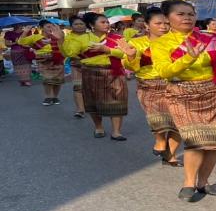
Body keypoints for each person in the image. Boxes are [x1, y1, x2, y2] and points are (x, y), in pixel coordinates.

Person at [152, 0, 216, 202]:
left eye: (190, 13)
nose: (187, 17)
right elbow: (164, 71)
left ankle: (203, 182)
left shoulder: (211, 38)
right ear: (167, 18)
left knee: (214, 142)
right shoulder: (161, 43)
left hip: (214, 92)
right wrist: (188, 58)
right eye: (180, 14)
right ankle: (189, 183)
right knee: (195, 140)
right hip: (182, 93)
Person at [58, 12, 133, 140]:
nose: (106, 24)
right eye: (102, 22)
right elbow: (70, 53)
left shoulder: (117, 38)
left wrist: (107, 50)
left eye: (107, 22)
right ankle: (99, 127)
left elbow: (127, 53)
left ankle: (116, 132)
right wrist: (60, 40)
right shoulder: (82, 38)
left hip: (114, 72)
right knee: (94, 102)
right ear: (92, 25)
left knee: (118, 101)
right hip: (92, 72)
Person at [124, 7, 181, 167]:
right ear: (147, 25)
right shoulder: (137, 43)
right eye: (158, 23)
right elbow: (132, 67)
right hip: (149, 85)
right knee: (158, 118)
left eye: (166, 23)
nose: (163, 26)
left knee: (179, 123)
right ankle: (160, 140)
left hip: (175, 84)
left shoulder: (178, 41)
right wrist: (130, 57)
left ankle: (170, 155)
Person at [18, 20, 66, 106]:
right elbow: (21, 42)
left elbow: (64, 47)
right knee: (47, 80)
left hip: (57, 60)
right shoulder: (35, 37)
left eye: (52, 26)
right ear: (41, 28)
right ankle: (48, 97)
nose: (50, 28)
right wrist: (25, 31)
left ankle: (55, 97)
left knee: (57, 80)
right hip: (43, 61)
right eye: (48, 26)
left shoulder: (57, 36)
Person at [62, 17, 91, 118]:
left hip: (92, 66)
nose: (79, 26)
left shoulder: (92, 36)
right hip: (76, 66)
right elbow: (66, 52)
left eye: (81, 24)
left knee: (91, 87)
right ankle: (80, 109)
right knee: (78, 87)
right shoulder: (68, 38)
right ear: (71, 26)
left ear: (86, 25)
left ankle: (91, 106)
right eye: (76, 24)